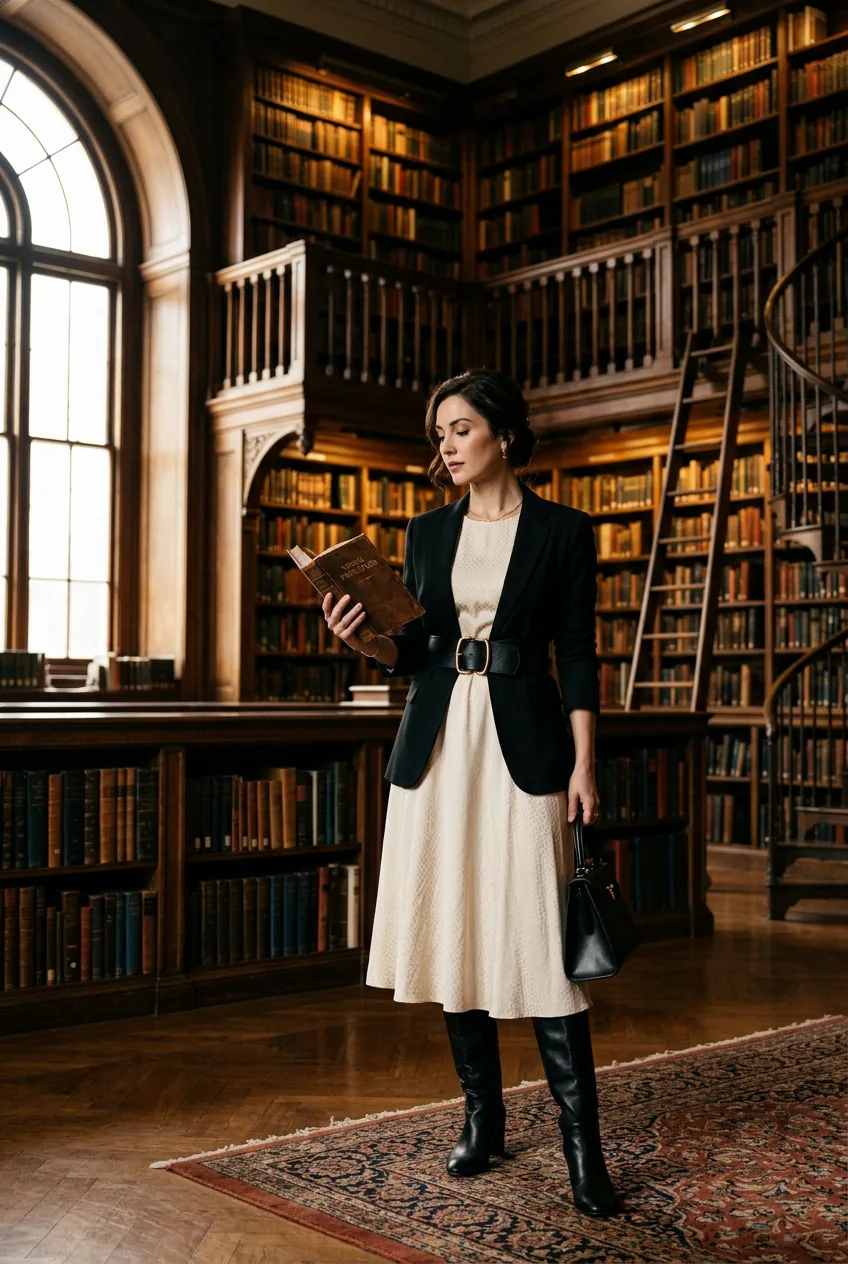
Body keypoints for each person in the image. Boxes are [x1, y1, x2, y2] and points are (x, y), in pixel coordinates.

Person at [321, 368, 619, 1218]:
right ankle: (483, 1120)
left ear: (504, 434)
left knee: (541, 936)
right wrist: (367, 644)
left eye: (460, 429)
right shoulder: (425, 533)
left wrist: (585, 765)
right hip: (440, 747)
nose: (446, 446)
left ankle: (583, 1150)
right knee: (454, 918)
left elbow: (578, 651)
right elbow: (417, 650)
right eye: (440, 434)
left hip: (526, 746)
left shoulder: (564, 530)